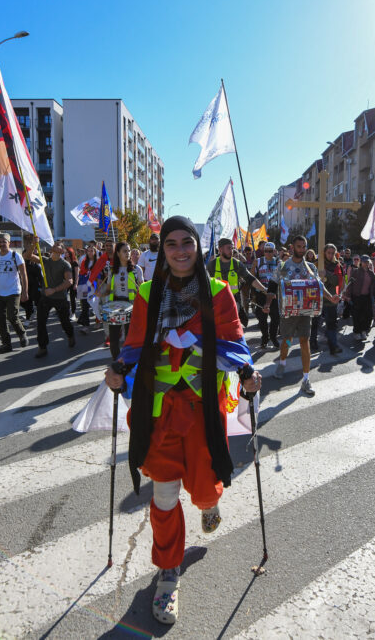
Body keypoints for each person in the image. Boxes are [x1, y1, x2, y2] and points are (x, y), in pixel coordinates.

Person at [105, 216, 262, 625]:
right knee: (164, 494)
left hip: (201, 409)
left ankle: (209, 505)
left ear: (198, 246)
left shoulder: (218, 291)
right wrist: (119, 367)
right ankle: (168, 573)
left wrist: (247, 373)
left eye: (186, 242)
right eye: (171, 243)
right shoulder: (146, 293)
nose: (179, 250)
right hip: (158, 413)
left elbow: (234, 341)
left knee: (205, 489)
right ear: (163, 250)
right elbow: (136, 343)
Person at [270, 236, 336, 396]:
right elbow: (272, 285)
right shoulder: (284, 266)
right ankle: (282, 361)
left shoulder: (310, 267)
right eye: (299, 246)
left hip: (306, 312)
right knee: (286, 340)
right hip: (288, 313)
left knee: (304, 341)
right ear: (292, 247)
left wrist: (331, 297)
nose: (302, 249)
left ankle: (306, 379)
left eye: (304, 246)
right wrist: (267, 302)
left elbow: (319, 286)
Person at [97, 240, 144, 359]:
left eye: (129, 250)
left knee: (129, 339)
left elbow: (142, 288)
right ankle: (117, 362)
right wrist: (100, 293)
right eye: (124, 251)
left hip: (132, 305)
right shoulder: (112, 271)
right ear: (117, 253)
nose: (128, 253)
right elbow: (108, 290)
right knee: (113, 339)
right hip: (115, 306)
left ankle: (127, 362)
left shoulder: (136, 269)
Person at [208, 238, 266, 331]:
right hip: (218, 302)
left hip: (234, 301)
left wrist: (264, 289)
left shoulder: (237, 264)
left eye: (232, 248)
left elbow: (250, 278)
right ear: (221, 249)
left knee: (233, 327)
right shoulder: (212, 265)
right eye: (228, 248)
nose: (231, 251)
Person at [0, 233, 28, 354]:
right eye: (0, 242)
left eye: (4, 241)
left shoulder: (16, 256)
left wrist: (25, 291)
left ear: (9, 242)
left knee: (12, 316)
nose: (2, 244)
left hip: (13, 291)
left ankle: (22, 333)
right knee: (0, 319)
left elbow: (24, 275)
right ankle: (6, 344)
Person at [34, 240, 75, 357]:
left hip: (59, 298)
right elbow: (27, 256)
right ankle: (42, 347)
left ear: (62, 250)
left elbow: (69, 282)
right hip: (45, 297)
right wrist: (33, 244)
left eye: (58, 245)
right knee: (41, 322)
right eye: (54, 245)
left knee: (65, 322)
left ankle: (70, 335)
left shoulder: (65, 264)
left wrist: (54, 290)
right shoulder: (45, 261)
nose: (54, 246)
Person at [252, 242, 280, 349]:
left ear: (274, 251)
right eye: (266, 251)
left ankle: (273, 337)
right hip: (261, 294)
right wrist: (254, 266)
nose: (268, 253)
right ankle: (265, 337)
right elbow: (252, 277)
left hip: (274, 294)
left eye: (270, 251)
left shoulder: (278, 262)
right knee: (262, 318)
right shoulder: (258, 261)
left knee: (275, 318)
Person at [318, 244, 345, 355]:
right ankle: (313, 342)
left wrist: (327, 274)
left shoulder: (336, 265)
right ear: (324, 253)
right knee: (315, 323)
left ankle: (333, 346)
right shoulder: (319, 263)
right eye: (328, 253)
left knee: (331, 323)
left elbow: (338, 282)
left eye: (332, 253)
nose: (330, 255)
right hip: (318, 298)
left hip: (331, 299)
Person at [347, 255, 375, 340]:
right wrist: (348, 295)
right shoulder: (356, 271)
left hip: (367, 297)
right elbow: (350, 284)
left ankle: (364, 331)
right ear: (361, 262)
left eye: (367, 262)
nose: (366, 263)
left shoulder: (371, 273)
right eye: (364, 262)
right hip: (356, 296)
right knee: (357, 315)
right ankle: (357, 332)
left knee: (368, 315)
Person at [76, 242, 101, 334]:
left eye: (92, 251)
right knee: (84, 305)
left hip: (93, 285)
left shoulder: (97, 262)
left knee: (95, 304)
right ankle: (85, 326)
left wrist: (97, 288)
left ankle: (98, 320)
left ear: (95, 252)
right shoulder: (83, 261)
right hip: (84, 285)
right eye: (89, 251)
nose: (90, 252)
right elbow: (81, 273)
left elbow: (98, 276)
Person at [64, 246, 79, 317]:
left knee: (72, 298)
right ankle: (65, 311)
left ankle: (73, 313)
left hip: (73, 282)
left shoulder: (74, 262)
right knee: (63, 297)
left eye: (67, 252)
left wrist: (76, 283)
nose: (65, 253)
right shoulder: (63, 261)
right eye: (65, 252)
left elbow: (76, 274)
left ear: (70, 253)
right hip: (64, 282)